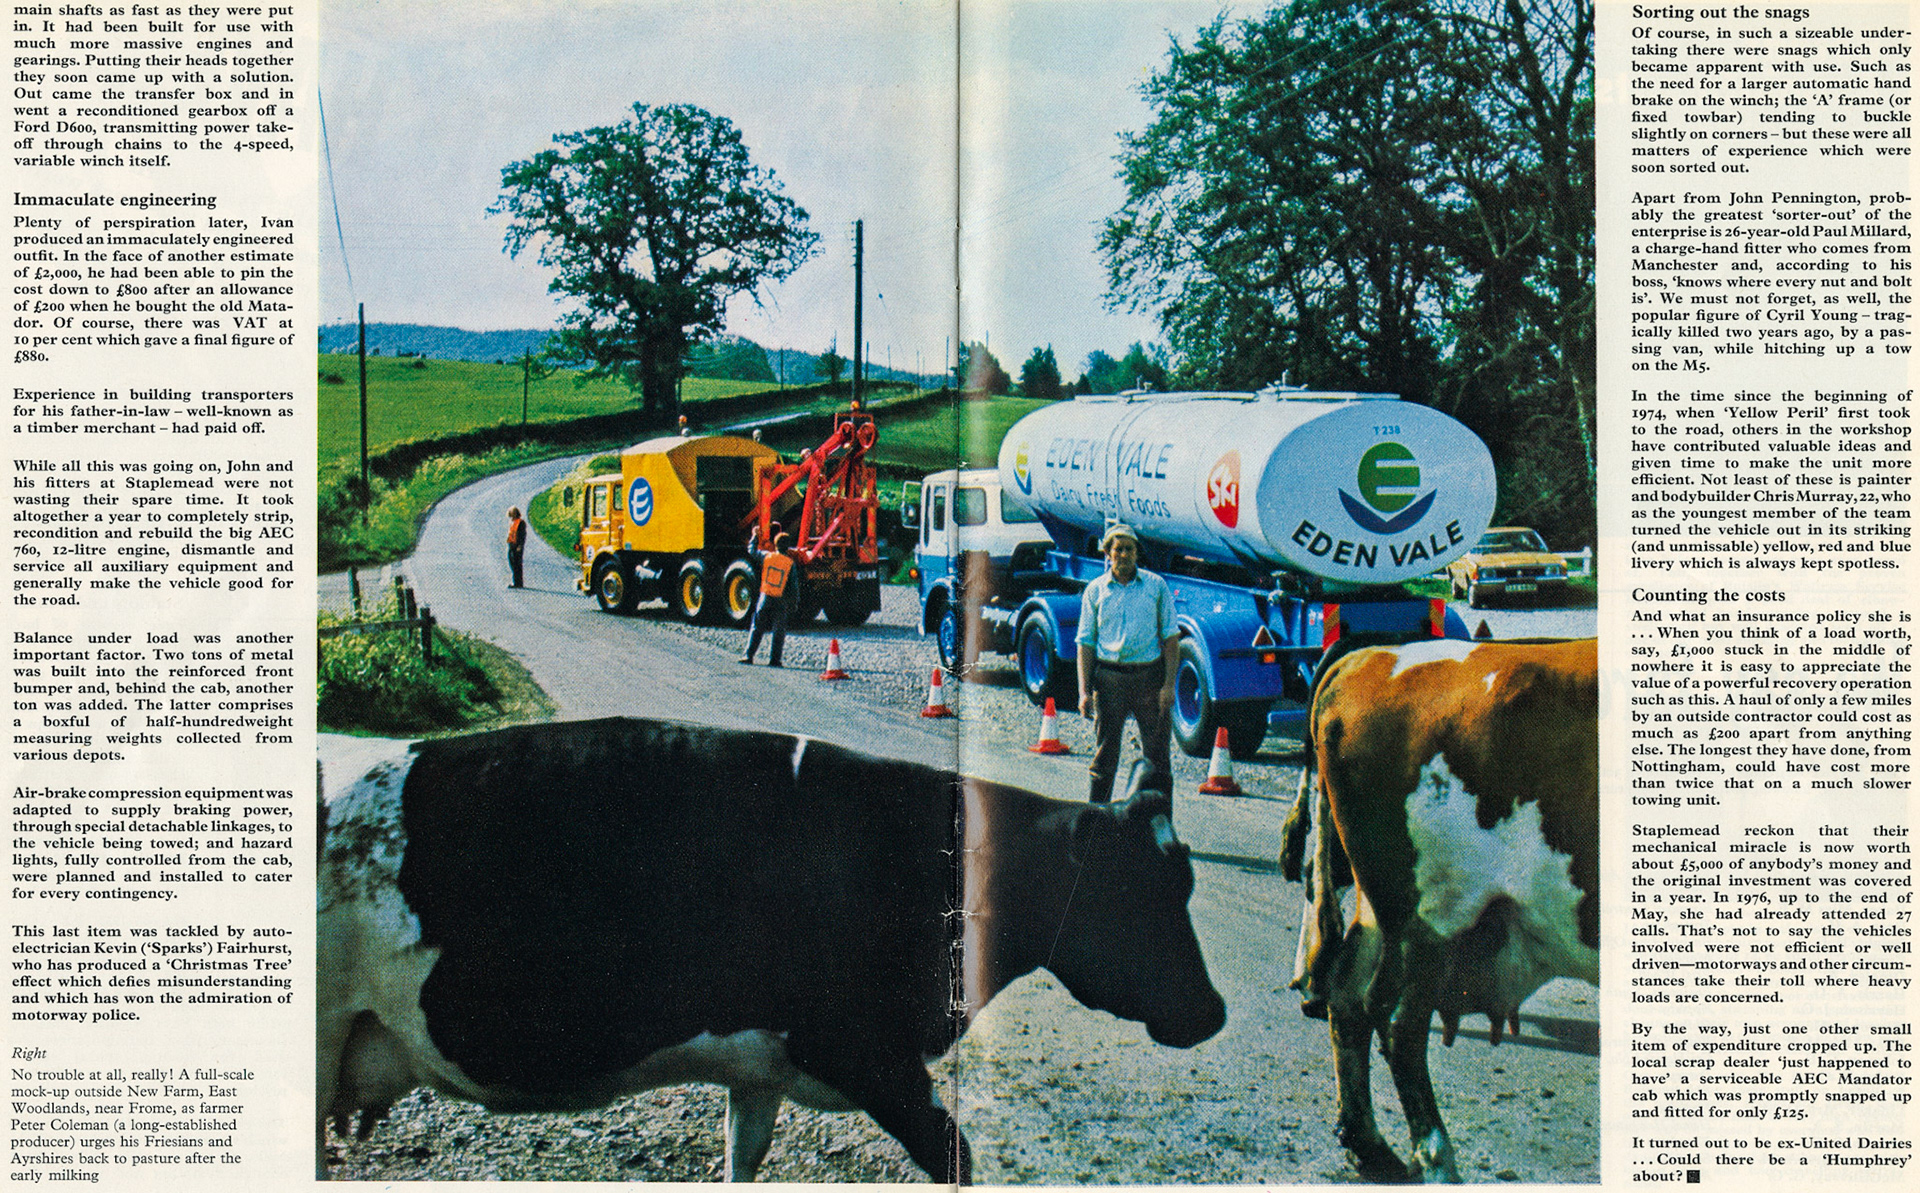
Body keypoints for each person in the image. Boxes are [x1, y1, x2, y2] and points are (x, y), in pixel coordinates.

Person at [1075, 522, 1178, 803]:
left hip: (1149, 679)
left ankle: (1159, 828)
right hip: (1109, 681)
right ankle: (1097, 826)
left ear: (1137, 553)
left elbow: (1170, 639)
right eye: (1117, 549)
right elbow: (1085, 643)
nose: (1123, 554)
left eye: (1129, 549)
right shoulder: (1095, 591)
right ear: (1107, 553)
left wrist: (1168, 685)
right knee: (1105, 756)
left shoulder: (1156, 587)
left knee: (1157, 758)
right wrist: (1084, 692)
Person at [739, 528, 797, 667]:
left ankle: (748, 656)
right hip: (780, 599)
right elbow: (793, 586)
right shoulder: (790, 563)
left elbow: (751, 551)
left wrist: (754, 536)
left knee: (757, 627)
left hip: (765, 597)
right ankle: (774, 660)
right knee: (779, 631)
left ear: (775, 545)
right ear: (787, 547)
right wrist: (794, 602)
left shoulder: (767, 556)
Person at [505, 506, 528, 588]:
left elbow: (522, 536)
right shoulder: (513, 522)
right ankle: (517, 581)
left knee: (517, 564)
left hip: (517, 546)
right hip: (511, 545)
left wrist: (520, 546)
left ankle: (518, 583)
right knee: (512, 563)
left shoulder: (521, 523)